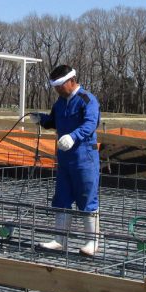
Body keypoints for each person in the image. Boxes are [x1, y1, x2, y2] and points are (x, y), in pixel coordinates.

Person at [27, 65, 102, 256]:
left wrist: (73, 136)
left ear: (72, 81)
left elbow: (90, 124)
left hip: (84, 157)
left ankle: (92, 242)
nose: (58, 90)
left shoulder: (87, 100)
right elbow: (54, 121)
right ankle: (60, 239)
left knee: (86, 197)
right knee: (62, 197)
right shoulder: (59, 103)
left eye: (60, 86)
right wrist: (40, 119)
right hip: (64, 158)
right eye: (55, 87)